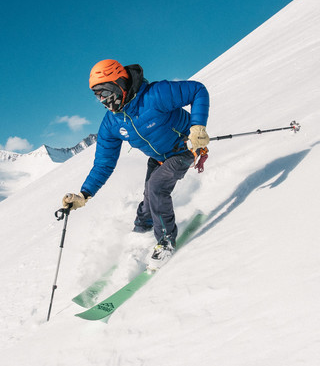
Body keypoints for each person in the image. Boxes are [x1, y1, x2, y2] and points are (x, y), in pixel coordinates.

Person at [62, 59, 210, 269]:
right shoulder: (112, 122)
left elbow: (197, 90)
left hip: (184, 148)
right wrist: (84, 194)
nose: (102, 100)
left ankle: (166, 241)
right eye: (97, 96)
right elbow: (104, 163)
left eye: (104, 92)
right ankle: (142, 232)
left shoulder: (155, 95)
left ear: (120, 83)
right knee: (148, 199)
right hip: (159, 158)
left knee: (156, 187)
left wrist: (198, 128)